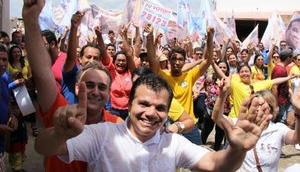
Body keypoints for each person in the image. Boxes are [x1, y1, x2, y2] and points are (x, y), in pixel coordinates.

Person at [35, 73, 272, 172]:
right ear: (128, 106)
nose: (150, 113)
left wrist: (238, 149)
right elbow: (42, 147)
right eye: (143, 104)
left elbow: (216, 164)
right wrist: (59, 134)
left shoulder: (174, 144)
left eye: (160, 108)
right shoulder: (102, 135)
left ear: (168, 113)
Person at [22, 0, 123, 172]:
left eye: (102, 87)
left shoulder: (116, 125)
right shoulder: (60, 112)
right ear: (77, 88)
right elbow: (43, 72)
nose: (95, 92)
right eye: (89, 85)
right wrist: (30, 20)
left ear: (109, 92)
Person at [213, 76, 300, 172]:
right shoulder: (240, 126)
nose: (257, 109)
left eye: (261, 105)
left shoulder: (278, 129)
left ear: (272, 109)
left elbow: (295, 138)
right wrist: (222, 94)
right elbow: (217, 117)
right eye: (254, 105)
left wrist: (298, 113)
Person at [146, 23, 214, 145]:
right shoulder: (162, 75)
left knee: (197, 160)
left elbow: (208, 61)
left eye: (180, 59)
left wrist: (210, 37)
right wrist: (150, 36)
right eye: (174, 59)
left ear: (184, 61)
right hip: (168, 125)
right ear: (169, 60)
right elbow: (151, 60)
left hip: (188, 125)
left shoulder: (190, 75)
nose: (177, 62)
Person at [131, 67, 194, 134]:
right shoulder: (128, 97)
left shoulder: (164, 101)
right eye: (135, 83)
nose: (150, 113)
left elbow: (189, 121)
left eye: (159, 108)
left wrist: (176, 127)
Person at [0, 44, 19, 172]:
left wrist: (12, 115)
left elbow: (7, 101)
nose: (1, 63)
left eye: (4, 59)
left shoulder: (5, 77)